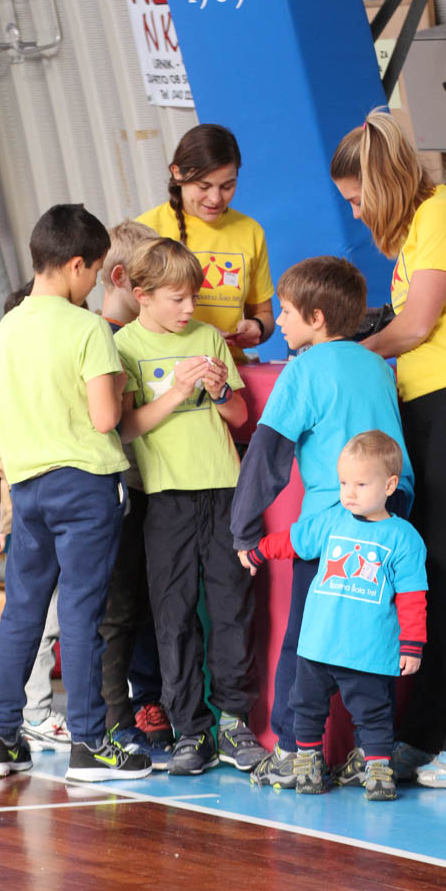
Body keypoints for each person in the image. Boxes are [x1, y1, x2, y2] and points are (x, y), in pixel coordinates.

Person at [331, 109, 446, 788]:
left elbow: (418, 325)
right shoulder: (417, 235)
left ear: (381, 183)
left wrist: (345, 356)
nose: (355, 212)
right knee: (433, 565)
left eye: (357, 198)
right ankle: (431, 729)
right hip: (430, 401)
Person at [0, 203, 151, 783]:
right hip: (84, 487)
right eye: (95, 272)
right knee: (81, 614)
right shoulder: (88, 329)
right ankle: (90, 745)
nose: (95, 284)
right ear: (77, 264)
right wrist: (121, 383)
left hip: (27, 487)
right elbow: (106, 419)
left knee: (22, 612)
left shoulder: (6, 329)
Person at [231, 255, 415, 788]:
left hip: (330, 531)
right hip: (387, 526)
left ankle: (294, 749)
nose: (279, 323)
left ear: (315, 317)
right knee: (373, 638)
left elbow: (267, 454)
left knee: (307, 640)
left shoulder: (303, 370)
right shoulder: (377, 366)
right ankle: (372, 752)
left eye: (286, 313)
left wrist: (244, 529)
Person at [115, 236, 266, 775]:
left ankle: (233, 722)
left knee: (232, 607)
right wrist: (177, 392)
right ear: (141, 295)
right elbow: (126, 426)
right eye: (176, 298)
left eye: (192, 297)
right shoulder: (124, 346)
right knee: (174, 613)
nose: (188, 308)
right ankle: (191, 730)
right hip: (165, 497)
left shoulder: (206, 337)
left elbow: (240, 416)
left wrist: (221, 393)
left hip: (224, 487)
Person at [242, 431, 427, 800]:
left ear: (390, 485)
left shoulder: (403, 538)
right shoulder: (332, 521)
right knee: (305, 707)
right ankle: (308, 765)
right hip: (318, 646)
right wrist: (259, 550)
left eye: (361, 484)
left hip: (368, 652)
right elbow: (294, 540)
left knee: (374, 714)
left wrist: (412, 644)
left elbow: (413, 596)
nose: (349, 493)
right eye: (344, 483)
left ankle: (378, 772)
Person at [98, 220, 173, 764]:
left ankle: (150, 701)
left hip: (155, 489)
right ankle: (113, 717)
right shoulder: (100, 338)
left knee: (150, 602)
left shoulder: (161, 338)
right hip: (114, 491)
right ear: (124, 278)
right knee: (119, 610)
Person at [137, 123, 275, 360]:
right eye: (204, 186)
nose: (215, 198)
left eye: (227, 186)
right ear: (177, 173)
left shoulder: (250, 231)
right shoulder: (146, 229)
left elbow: (264, 314)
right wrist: (199, 337)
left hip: (230, 371)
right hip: (164, 372)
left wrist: (257, 327)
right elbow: (128, 319)